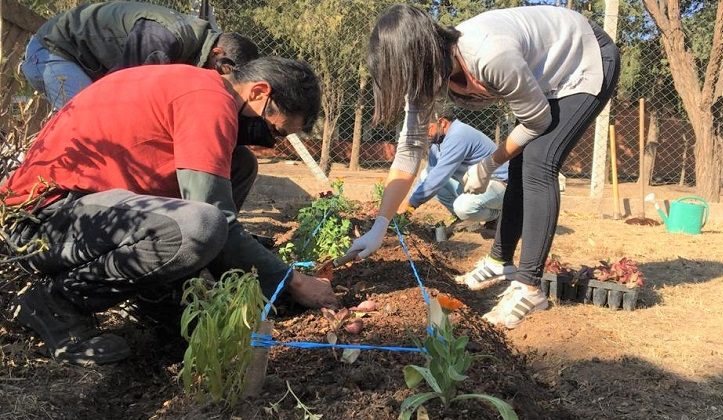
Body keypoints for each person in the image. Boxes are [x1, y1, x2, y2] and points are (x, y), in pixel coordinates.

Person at [1, 56, 337, 365]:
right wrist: (291, 282)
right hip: (38, 220)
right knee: (201, 226)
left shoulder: (199, 86)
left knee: (240, 164)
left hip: (84, 212)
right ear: (259, 92)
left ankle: (156, 295)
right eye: (275, 129)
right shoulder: (209, 102)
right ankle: (56, 303)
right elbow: (214, 217)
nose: (270, 139)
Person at [348, 4, 620, 329]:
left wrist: (489, 164)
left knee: (537, 162)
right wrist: (380, 225)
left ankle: (529, 287)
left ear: (425, 57)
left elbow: (537, 121)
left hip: (583, 59)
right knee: (521, 166)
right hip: (548, 79)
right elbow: (408, 151)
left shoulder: (489, 53)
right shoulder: (428, 73)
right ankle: (499, 261)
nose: (412, 90)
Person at [21, 1, 259, 110]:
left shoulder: (194, 46)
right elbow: (124, 95)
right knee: (88, 123)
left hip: (83, 61)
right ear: (217, 53)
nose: (218, 82)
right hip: (54, 53)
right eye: (222, 74)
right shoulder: (164, 39)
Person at [405, 104, 508, 231]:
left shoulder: (458, 134)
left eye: (427, 128)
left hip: (500, 185)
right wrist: (408, 202)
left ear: (442, 122)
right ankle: (465, 219)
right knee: (425, 175)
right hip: (478, 184)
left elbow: (439, 177)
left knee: (463, 207)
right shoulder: (437, 142)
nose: (424, 133)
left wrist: (410, 206)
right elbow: (431, 175)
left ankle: (497, 216)